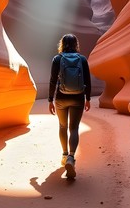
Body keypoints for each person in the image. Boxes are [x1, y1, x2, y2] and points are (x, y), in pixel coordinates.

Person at [48, 33, 91, 178]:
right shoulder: (82, 59)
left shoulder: (57, 59)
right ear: (75, 45)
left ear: (62, 44)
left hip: (61, 97)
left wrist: (50, 100)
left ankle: (64, 155)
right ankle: (71, 158)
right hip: (78, 97)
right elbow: (87, 80)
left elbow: (53, 81)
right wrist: (88, 98)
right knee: (74, 128)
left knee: (62, 126)